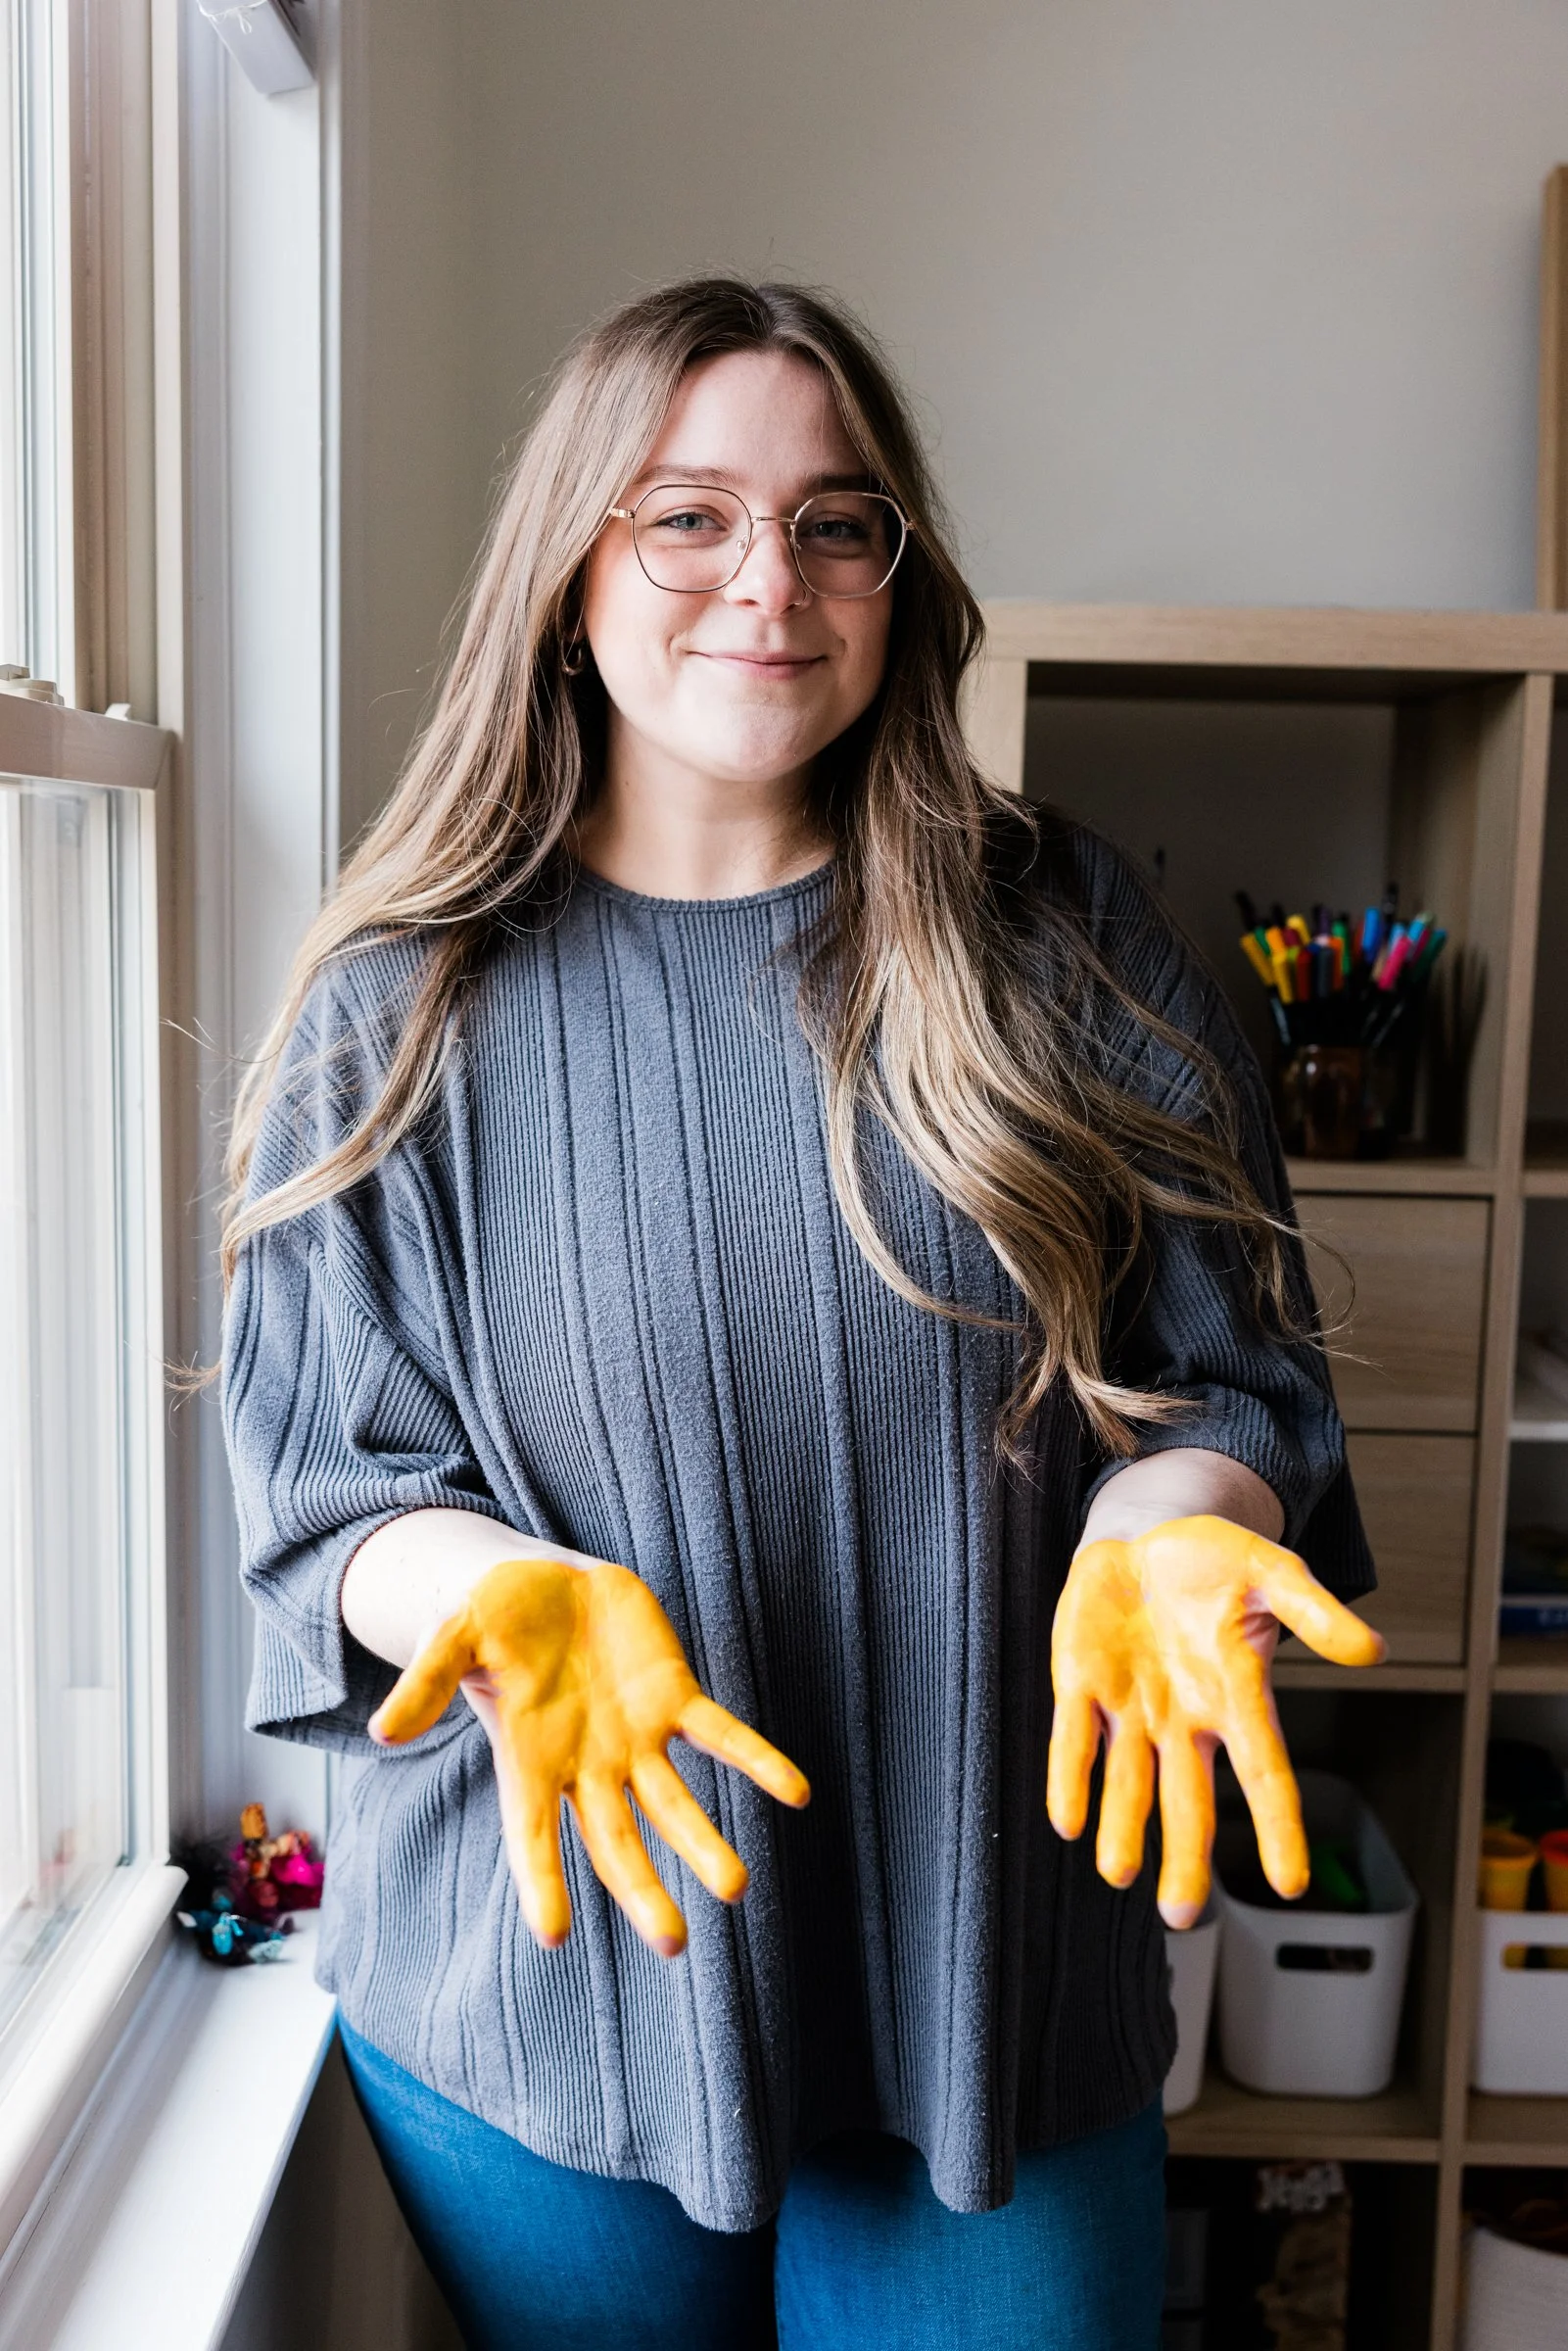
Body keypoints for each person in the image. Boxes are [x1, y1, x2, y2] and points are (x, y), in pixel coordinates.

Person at [220, 277, 1381, 2351]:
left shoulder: (1070, 936)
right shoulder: (392, 1010)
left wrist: (1170, 1525)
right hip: (549, 1996)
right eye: (685, 516)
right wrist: (482, 1580)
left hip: (996, 1984)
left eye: (836, 522)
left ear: (895, 577)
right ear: (569, 567)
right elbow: (327, 1496)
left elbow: (1226, 1381)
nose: (769, 578)